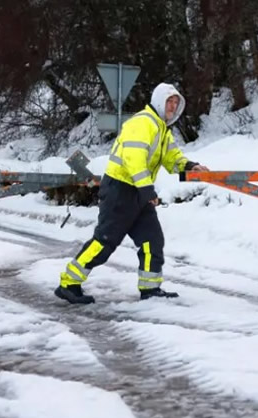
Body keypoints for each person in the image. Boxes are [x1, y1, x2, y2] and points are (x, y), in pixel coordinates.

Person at [54, 82, 209, 304]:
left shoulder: (162, 129)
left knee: (152, 240)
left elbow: (172, 157)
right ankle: (68, 283)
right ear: (158, 101)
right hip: (120, 189)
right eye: (169, 101)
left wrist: (189, 166)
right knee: (104, 242)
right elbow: (133, 159)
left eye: (176, 103)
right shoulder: (142, 123)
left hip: (138, 192)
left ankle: (150, 289)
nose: (173, 106)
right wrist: (147, 190)